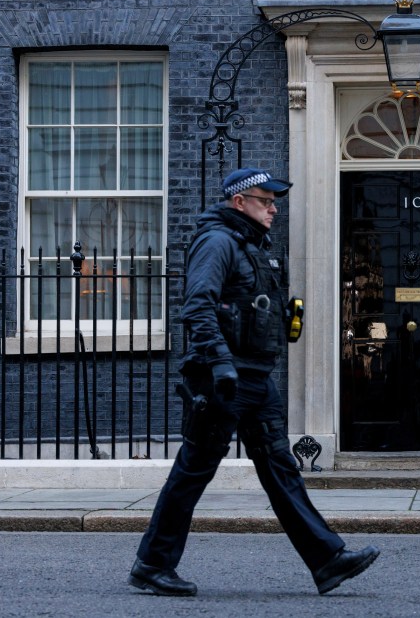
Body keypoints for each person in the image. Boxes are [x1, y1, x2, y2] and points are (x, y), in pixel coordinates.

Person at [129, 167, 378, 597]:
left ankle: (326, 560)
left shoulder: (251, 246)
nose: (273, 209)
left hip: (256, 377)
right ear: (239, 201)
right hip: (223, 378)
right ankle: (152, 565)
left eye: (275, 201)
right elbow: (197, 307)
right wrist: (221, 364)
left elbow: (245, 306)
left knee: (281, 467)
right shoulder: (217, 241)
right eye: (265, 201)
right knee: (193, 470)